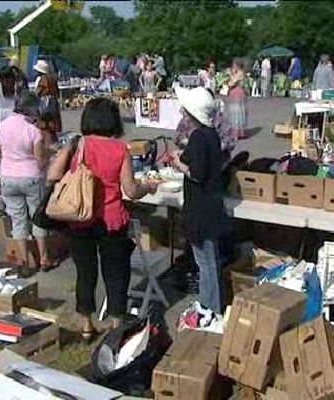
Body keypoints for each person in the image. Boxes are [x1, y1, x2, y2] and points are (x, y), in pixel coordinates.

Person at [46, 98, 158, 339]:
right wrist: (147, 187)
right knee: (116, 272)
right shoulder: (119, 149)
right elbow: (130, 190)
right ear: (113, 120)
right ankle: (116, 323)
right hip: (111, 219)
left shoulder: (77, 143)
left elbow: (52, 174)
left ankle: (86, 324)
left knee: (85, 272)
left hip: (80, 217)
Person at [171, 86, 225, 323]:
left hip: (200, 207)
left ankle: (209, 308)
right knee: (210, 260)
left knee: (205, 262)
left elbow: (197, 173)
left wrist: (178, 164)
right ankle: (213, 305)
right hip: (211, 204)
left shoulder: (199, 137)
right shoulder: (211, 134)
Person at [0, 92, 51, 275]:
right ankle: (44, 257)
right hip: (30, 176)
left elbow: (1, 152)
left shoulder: (2, 126)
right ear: (32, 110)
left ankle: (24, 260)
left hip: (7, 176)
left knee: (18, 220)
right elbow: (40, 161)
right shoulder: (33, 131)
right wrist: (50, 157)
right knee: (38, 218)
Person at [34, 59, 62, 147]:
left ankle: (48, 146)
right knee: (52, 128)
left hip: (45, 106)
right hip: (53, 105)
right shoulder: (52, 79)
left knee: (45, 127)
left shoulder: (43, 80)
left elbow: (38, 93)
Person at [225, 58, 248, 139]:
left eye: (234, 65)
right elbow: (229, 83)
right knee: (233, 113)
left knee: (238, 113)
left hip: (238, 94)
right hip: (233, 94)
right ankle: (235, 131)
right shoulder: (236, 73)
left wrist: (230, 74)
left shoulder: (240, 73)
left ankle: (239, 133)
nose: (232, 66)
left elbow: (232, 82)